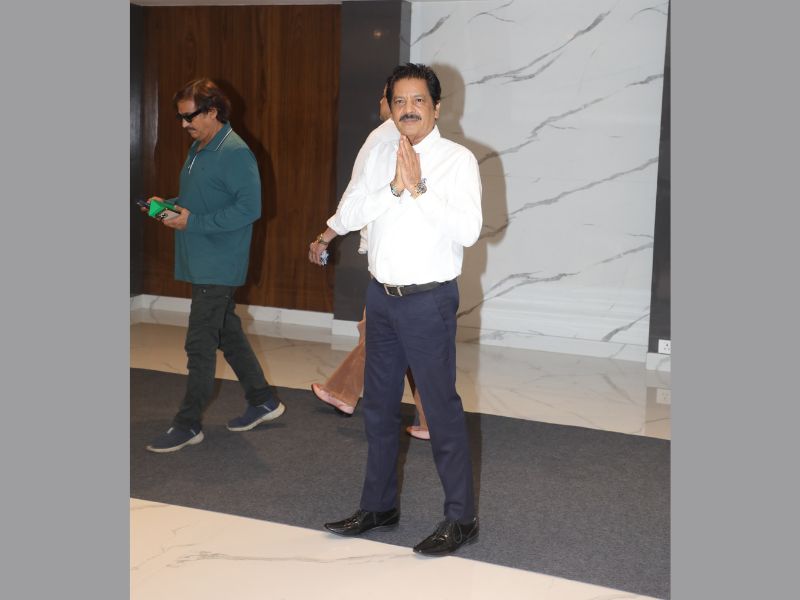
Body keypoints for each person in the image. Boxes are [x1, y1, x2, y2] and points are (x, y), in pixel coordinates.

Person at [323, 64, 482, 556]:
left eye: (418, 101)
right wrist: (392, 187)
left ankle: (461, 518)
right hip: (381, 298)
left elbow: (468, 231)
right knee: (378, 407)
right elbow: (347, 216)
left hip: (429, 300)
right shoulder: (378, 154)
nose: (408, 109)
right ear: (389, 107)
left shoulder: (457, 161)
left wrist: (418, 189)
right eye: (399, 101)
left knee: (440, 409)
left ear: (436, 107)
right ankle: (378, 507)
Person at [145, 78, 285, 453]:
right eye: (180, 117)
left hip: (219, 263)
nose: (183, 124)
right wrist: (170, 205)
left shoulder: (236, 152)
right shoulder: (198, 147)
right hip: (201, 258)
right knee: (226, 332)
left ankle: (188, 423)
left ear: (212, 111)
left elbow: (250, 208)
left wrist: (193, 222)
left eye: (189, 116)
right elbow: (201, 198)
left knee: (200, 343)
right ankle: (263, 400)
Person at [308, 84, 430, 440]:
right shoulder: (418, 139)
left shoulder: (382, 138)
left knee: (382, 334)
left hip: (393, 260)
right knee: (388, 335)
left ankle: (345, 393)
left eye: (390, 98)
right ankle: (347, 393)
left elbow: (354, 197)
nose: (385, 104)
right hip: (406, 258)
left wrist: (325, 237)